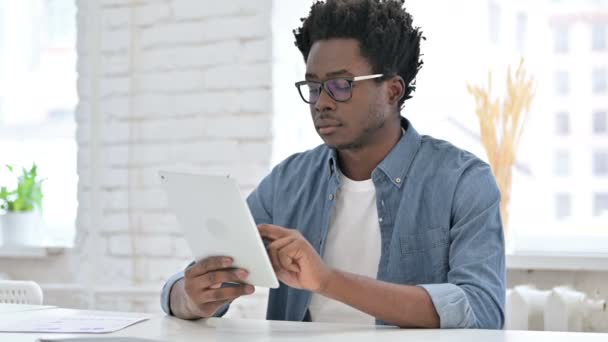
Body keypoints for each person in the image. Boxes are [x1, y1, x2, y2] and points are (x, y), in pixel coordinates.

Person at [161, 0, 505, 329]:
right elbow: (192, 282)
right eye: (313, 86)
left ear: (393, 90)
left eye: (341, 86)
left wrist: (327, 280)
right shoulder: (287, 182)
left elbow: (482, 307)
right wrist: (189, 299)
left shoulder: (462, 180)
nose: (322, 102)